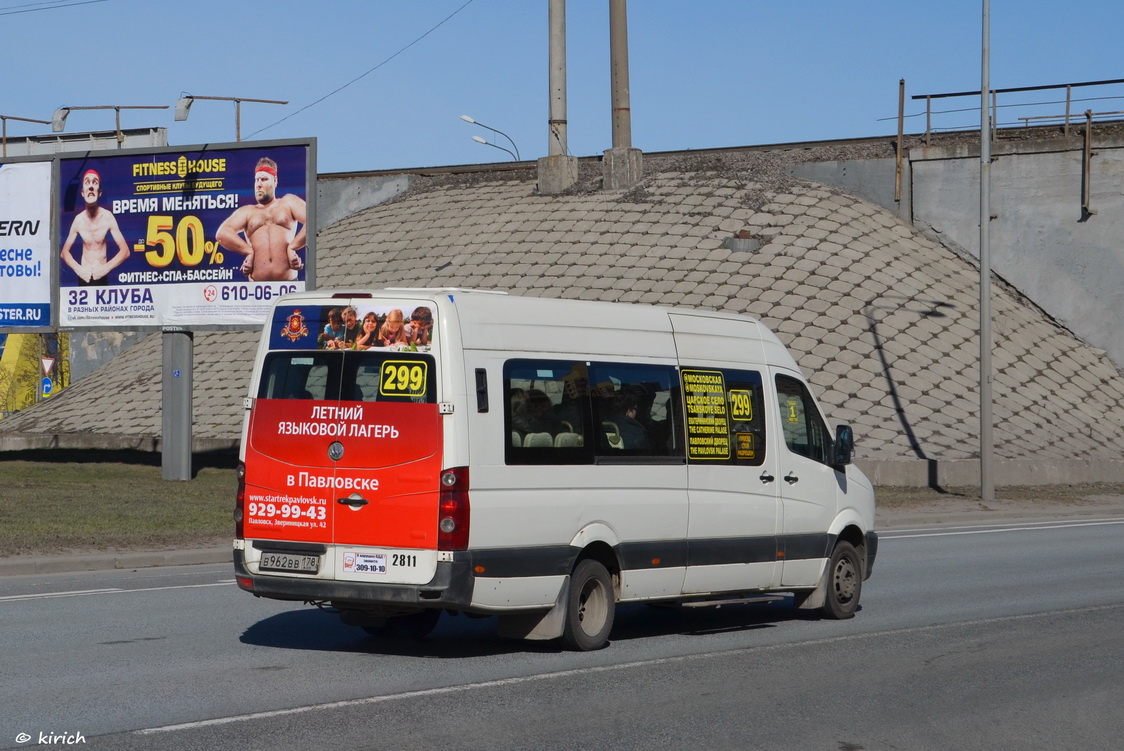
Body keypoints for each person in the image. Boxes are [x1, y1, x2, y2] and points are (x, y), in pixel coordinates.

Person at [216, 157, 306, 281]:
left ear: (275, 181)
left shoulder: (288, 202)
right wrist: (248, 251)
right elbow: (222, 233)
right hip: (257, 290)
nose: (259, 184)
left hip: (288, 284)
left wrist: (292, 247)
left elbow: (311, 219)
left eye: (264, 179)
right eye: (256, 180)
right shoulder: (247, 211)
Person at [60, 169, 130, 285]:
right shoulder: (78, 220)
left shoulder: (107, 217)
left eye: (95, 182)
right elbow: (64, 252)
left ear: (100, 192)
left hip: (102, 276)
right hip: (84, 277)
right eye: (87, 182)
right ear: (83, 192)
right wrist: (79, 269)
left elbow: (125, 251)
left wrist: (105, 269)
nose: (91, 186)